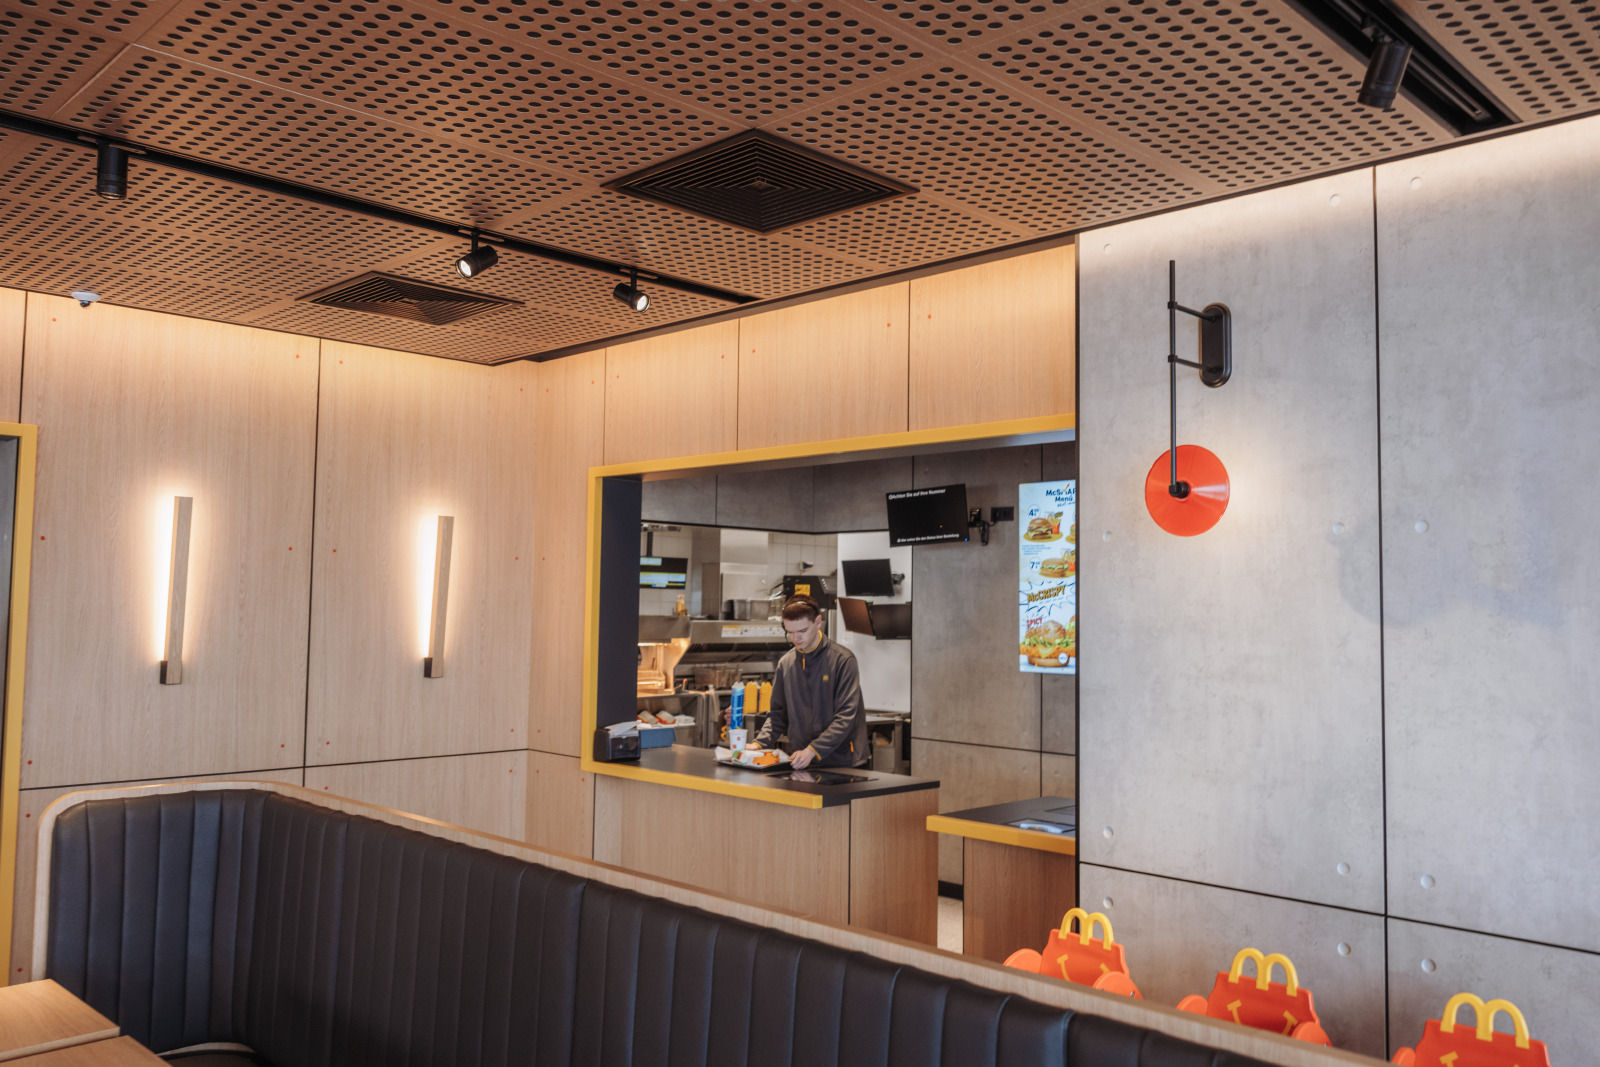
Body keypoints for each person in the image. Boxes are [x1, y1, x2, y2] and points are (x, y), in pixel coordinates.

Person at [748, 595, 867, 769]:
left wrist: (812, 750)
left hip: (844, 762)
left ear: (818, 622)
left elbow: (845, 718)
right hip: (803, 761)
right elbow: (777, 715)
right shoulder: (786, 664)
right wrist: (758, 744)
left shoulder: (843, 660)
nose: (795, 638)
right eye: (789, 632)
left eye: (802, 631)